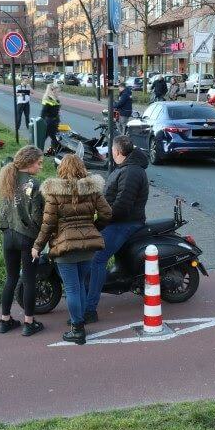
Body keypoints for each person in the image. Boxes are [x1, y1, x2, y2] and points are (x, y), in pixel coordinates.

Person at [32, 154, 112, 345]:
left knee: (72, 288)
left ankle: (77, 329)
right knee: (81, 284)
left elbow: (48, 223)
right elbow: (107, 213)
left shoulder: (54, 192)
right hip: (88, 248)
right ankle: (79, 320)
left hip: (65, 248)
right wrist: (92, 229)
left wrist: (37, 246)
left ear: (62, 169)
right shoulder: (92, 189)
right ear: (82, 168)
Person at [85, 136, 148, 323]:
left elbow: (122, 206)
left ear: (118, 152)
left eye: (112, 150)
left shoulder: (131, 172)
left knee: (97, 258)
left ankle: (89, 309)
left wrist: (102, 221)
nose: (111, 153)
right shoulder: (127, 168)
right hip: (119, 221)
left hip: (125, 223)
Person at [0, 146, 45, 337]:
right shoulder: (34, 184)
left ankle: (5, 320)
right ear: (29, 162)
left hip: (8, 235)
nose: (40, 167)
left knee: (11, 278)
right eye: (39, 163)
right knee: (29, 279)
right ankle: (29, 323)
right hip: (26, 238)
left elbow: (4, 211)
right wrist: (41, 237)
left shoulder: (8, 179)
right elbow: (37, 217)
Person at [40, 81, 63, 154]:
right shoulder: (48, 99)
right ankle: (55, 152)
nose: (59, 92)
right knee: (55, 137)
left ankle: (41, 151)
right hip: (49, 122)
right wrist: (41, 122)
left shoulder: (56, 99)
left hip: (54, 121)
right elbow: (43, 112)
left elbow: (56, 109)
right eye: (58, 91)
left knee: (44, 137)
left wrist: (58, 113)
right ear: (53, 90)